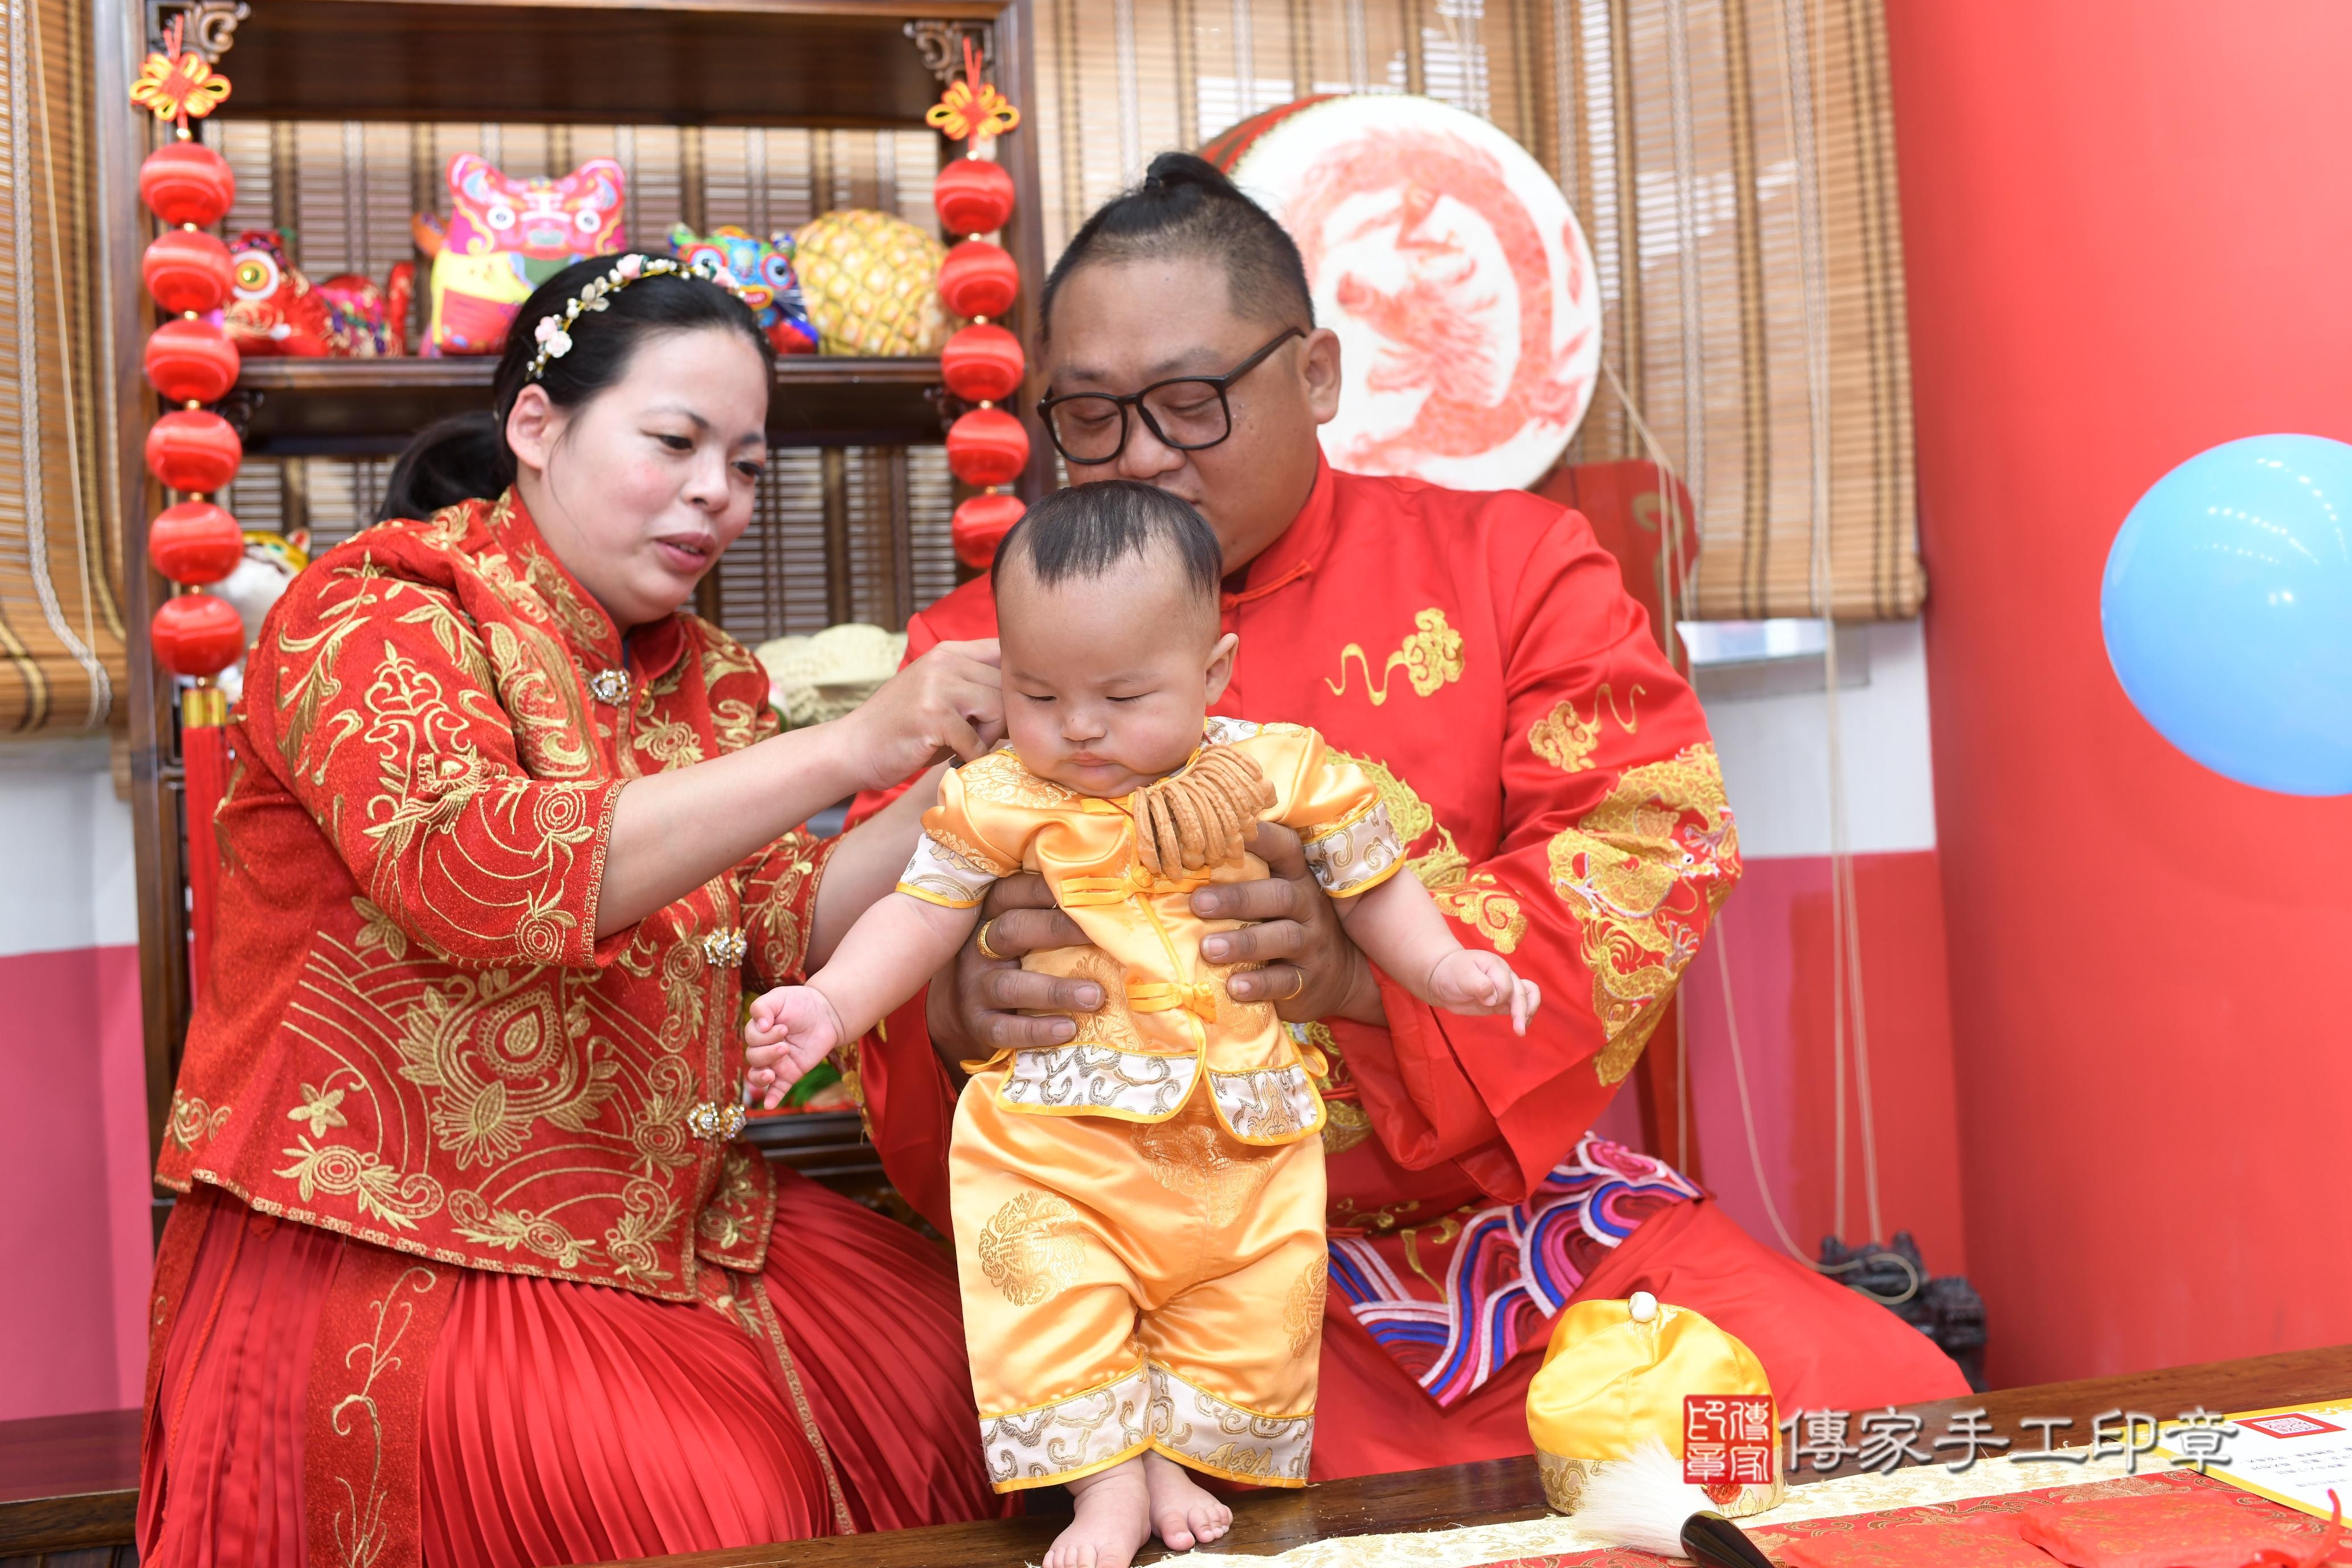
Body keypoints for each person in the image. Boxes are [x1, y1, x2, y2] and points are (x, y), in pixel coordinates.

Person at [849, 153, 1973, 1479]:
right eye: (1090, 415)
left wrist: (1359, 971)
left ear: (1317, 374)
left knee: (1883, 1407)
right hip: (1170, 1261)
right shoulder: (986, 651)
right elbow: (872, 945)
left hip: (1527, 1229)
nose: (1140, 453)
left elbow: (1647, 847)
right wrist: (952, 1010)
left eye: (1192, 403)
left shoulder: (1512, 567)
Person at [140, 252, 1011, 1568]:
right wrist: (848, 747)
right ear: (537, 426)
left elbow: (784, 918)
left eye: (748, 464)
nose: (718, 492)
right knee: (723, 1512)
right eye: (676, 442)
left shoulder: (709, 676)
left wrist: (983, 780)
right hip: (401, 1240)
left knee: (992, 1391)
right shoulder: (374, 611)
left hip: (681, 1220)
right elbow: (468, 868)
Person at [745, 482, 1539, 1568]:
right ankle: (1106, 1486)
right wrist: (831, 1002)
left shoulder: (1280, 767)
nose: (1079, 727)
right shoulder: (1000, 795)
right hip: (1061, 1133)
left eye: (1122, 695)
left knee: (1246, 1299)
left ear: (1212, 674)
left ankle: (1172, 1461)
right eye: (1039, 694)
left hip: (1239, 1127)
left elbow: (1374, 884)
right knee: (1052, 1289)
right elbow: (920, 915)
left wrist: (1443, 966)